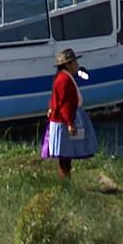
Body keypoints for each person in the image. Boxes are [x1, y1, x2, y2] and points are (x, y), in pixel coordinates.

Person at [43, 48, 95, 179]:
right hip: (64, 121)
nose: (77, 65)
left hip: (61, 119)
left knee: (65, 154)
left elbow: (56, 99)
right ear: (68, 65)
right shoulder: (64, 80)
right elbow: (65, 103)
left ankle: (65, 179)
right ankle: (65, 180)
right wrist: (70, 124)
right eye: (74, 62)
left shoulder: (62, 78)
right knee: (65, 154)